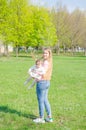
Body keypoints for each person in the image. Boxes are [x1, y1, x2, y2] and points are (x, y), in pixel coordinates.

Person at [33, 48, 53, 123]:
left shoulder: (45, 62)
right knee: (45, 100)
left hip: (42, 83)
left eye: (46, 53)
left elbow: (42, 73)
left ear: (49, 54)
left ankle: (41, 118)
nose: (44, 54)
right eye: (44, 53)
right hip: (47, 82)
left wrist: (34, 74)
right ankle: (49, 117)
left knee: (40, 101)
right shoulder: (49, 61)